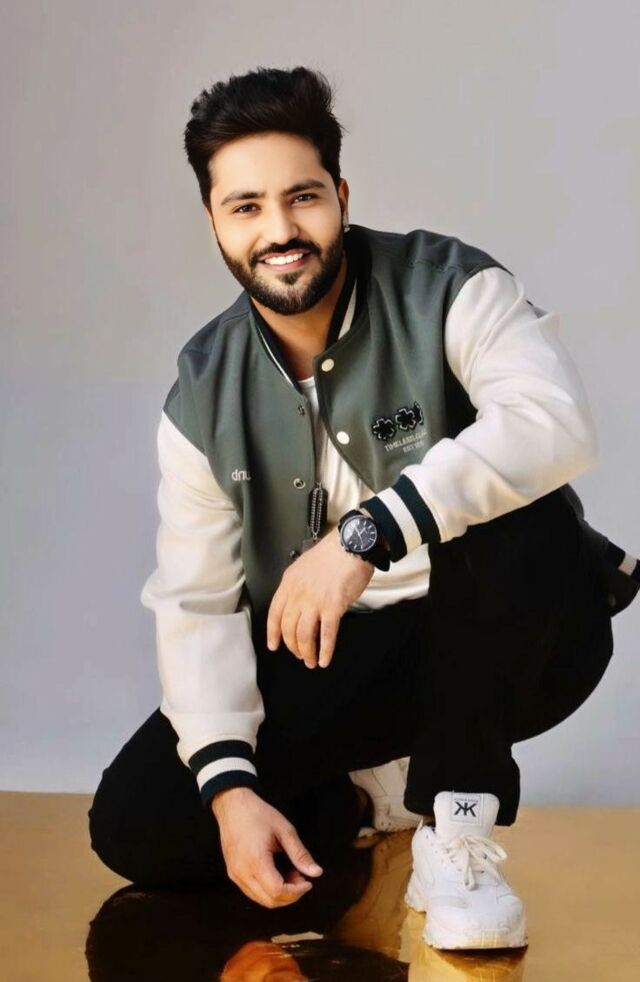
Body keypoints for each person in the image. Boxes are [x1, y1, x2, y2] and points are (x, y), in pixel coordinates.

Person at [87, 65, 639, 951]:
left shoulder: (449, 282)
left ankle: (456, 831)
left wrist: (366, 534)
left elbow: (554, 422)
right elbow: (195, 604)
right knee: (140, 822)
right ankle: (369, 799)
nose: (279, 231)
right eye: (246, 207)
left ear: (340, 197)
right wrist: (231, 792)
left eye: (302, 198)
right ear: (214, 222)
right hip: (350, 660)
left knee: (519, 505)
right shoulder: (201, 395)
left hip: (520, 629)